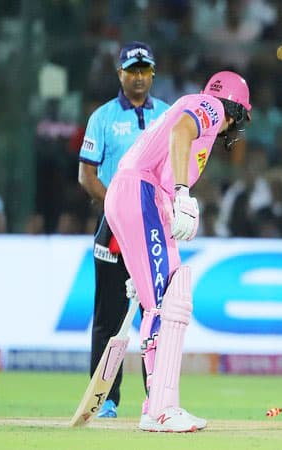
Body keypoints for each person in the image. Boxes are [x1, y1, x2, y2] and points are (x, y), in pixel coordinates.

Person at [104, 71, 251, 432]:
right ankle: (162, 409)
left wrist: (140, 268)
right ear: (235, 109)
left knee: (166, 297)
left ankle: (155, 406)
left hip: (133, 194)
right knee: (170, 303)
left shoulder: (195, 105)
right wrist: (184, 194)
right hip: (140, 193)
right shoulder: (210, 107)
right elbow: (181, 131)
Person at [78, 41, 169, 418]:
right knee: (109, 317)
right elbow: (86, 176)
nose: (138, 77)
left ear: (153, 74)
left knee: (156, 313)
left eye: (144, 71)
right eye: (132, 71)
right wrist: (120, 207)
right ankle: (105, 401)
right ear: (120, 74)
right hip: (114, 229)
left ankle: (157, 398)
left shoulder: (167, 115)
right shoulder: (102, 117)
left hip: (154, 230)